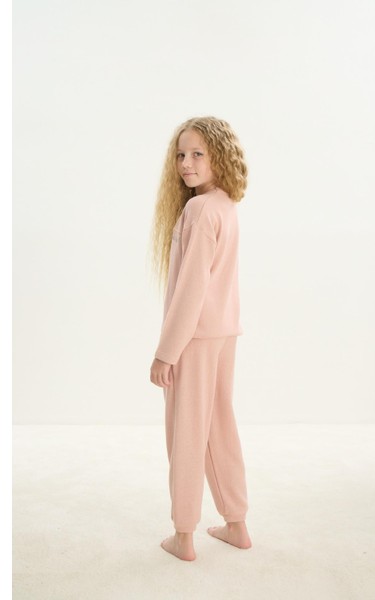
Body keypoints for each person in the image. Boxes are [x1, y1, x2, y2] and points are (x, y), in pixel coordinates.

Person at [149, 116, 252, 561]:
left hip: (193, 339)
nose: (186, 164)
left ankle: (184, 535)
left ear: (219, 157)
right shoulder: (225, 205)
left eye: (197, 154)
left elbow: (191, 290)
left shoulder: (199, 210)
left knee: (187, 432)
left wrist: (165, 353)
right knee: (218, 426)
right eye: (180, 155)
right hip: (223, 333)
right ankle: (237, 524)